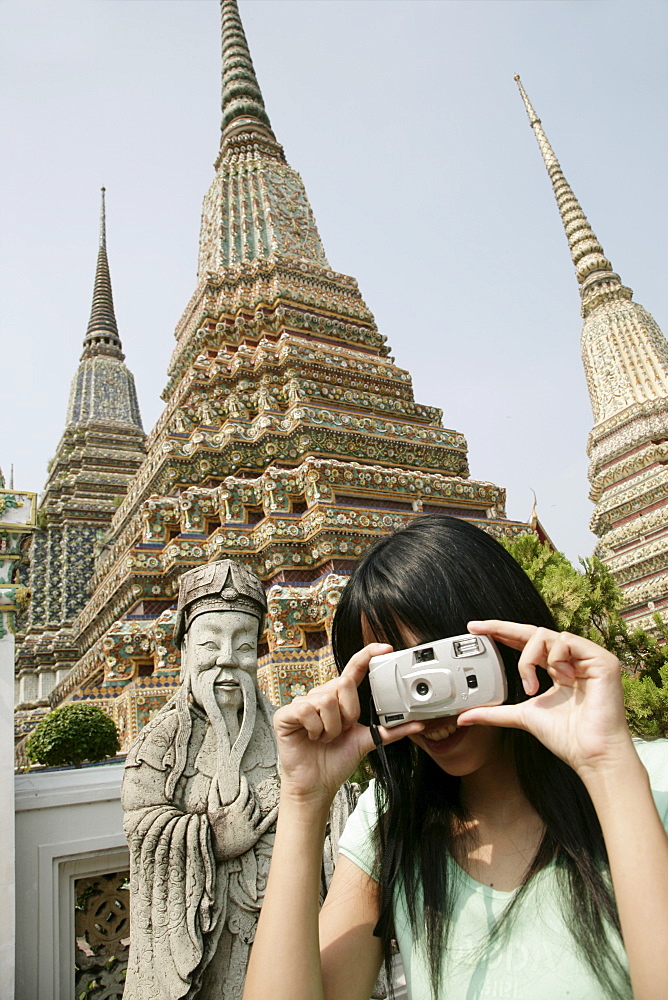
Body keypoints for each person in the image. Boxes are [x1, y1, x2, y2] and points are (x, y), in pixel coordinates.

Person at [242, 515, 668, 1000]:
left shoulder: (651, 782)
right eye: (403, 678)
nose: (433, 703)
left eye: (448, 663)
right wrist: (303, 798)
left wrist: (607, 764)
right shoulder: (391, 821)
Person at [122, 560, 280, 1000]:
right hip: (204, 935)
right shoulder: (162, 743)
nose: (229, 659)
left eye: (245, 646)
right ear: (186, 650)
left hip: (282, 920)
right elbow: (141, 825)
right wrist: (213, 839)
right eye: (212, 644)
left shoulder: (283, 733)